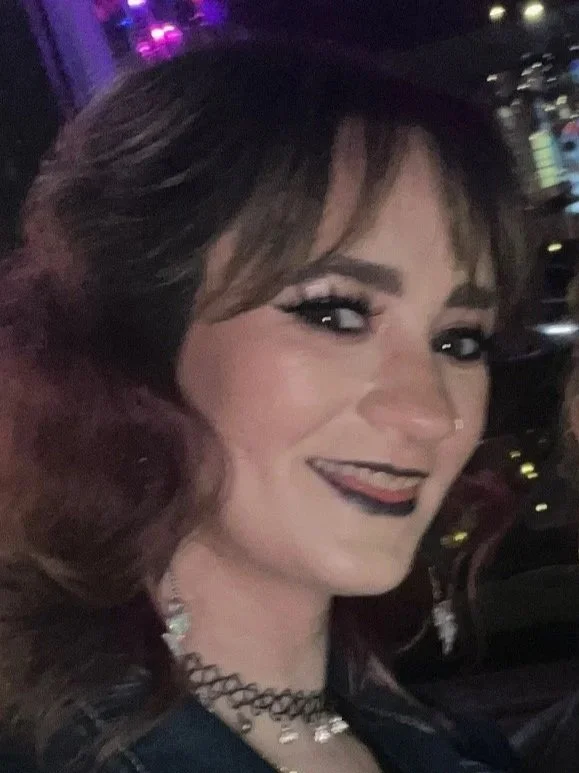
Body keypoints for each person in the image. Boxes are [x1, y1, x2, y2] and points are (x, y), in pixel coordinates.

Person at [0, 37, 526, 773]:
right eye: (335, 313)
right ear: (135, 339)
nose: (429, 413)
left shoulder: (432, 733)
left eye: (459, 340)